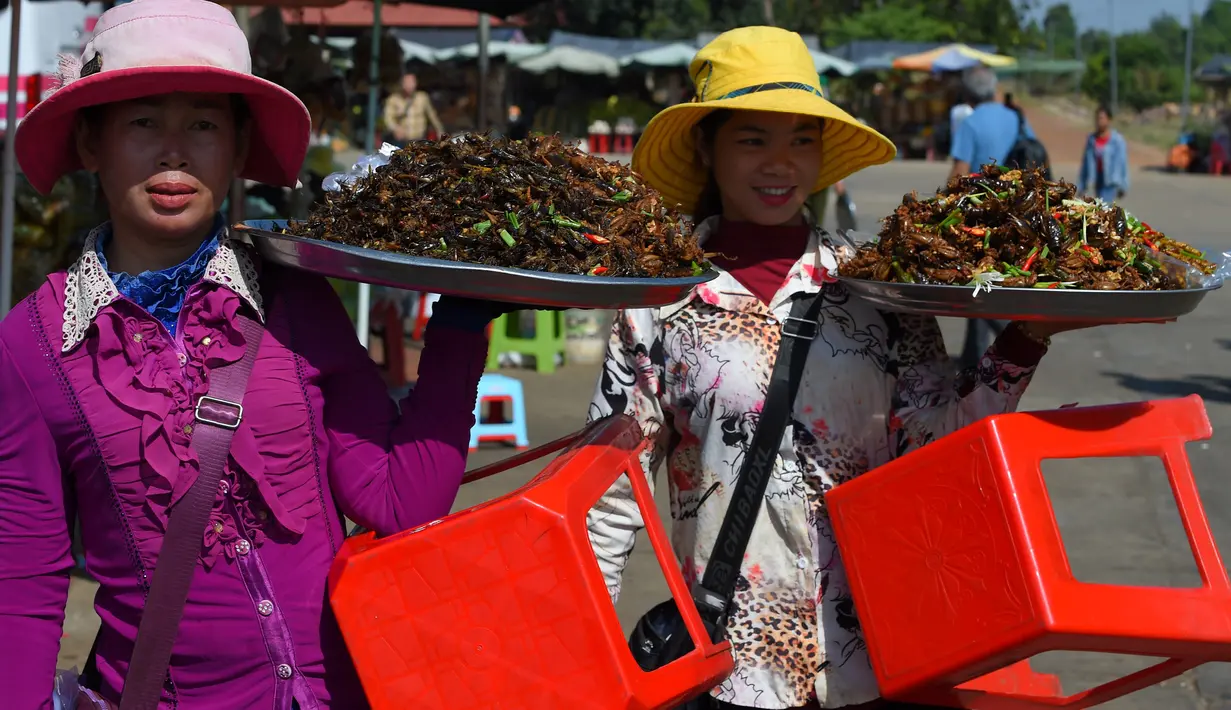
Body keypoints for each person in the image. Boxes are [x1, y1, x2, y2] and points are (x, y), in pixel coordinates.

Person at [0, 2, 512, 707]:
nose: (174, 151)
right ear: (91, 144)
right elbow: (23, 582)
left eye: (204, 125)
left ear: (238, 149)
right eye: (143, 122)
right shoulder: (33, 343)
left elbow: (398, 502)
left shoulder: (297, 296)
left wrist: (460, 322)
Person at [583, 27, 1093, 710]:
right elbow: (606, 495)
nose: (780, 162)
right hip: (730, 668)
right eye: (752, 138)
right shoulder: (659, 304)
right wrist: (577, 650)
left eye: (801, 139)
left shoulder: (878, 291)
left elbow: (934, 449)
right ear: (707, 146)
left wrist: (1026, 340)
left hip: (873, 658)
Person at [947, 67, 1033, 368]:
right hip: (1020, 210)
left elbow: (959, 172)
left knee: (978, 281)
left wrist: (943, 205)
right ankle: (974, 356)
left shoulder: (970, 123)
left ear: (969, 94)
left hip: (981, 213)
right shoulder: (1016, 117)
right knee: (986, 280)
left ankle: (1020, 334)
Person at [1077, 105, 1129, 203]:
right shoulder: (1091, 139)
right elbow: (1085, 163)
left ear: (1109, 120)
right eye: (1097, 118)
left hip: (1110, 181)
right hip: (1097, 179)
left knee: (1105, 207)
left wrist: (1123, 185)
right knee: (1098, 206)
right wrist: (1082, 185)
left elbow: (1122, 163)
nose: (1098, 121)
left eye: (1101, 118)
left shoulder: (1117, 140)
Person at [381, 71, 444, 145]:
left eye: (412, 82)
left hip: (419, 139)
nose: (410, 85)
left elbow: (432, 115)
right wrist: (395, 128)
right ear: (402, 84)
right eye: (407, 83)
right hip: (401, 140)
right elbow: (388, 117)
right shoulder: (393, 99)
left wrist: (439, 130)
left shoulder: (422, 97)